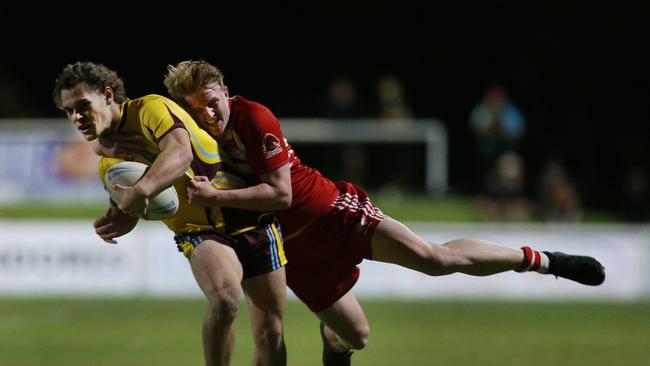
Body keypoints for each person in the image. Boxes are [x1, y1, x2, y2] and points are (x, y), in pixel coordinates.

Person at [162, 60, 605, 366]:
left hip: (332, 212)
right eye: (196, 108)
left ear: (224, 89)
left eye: (211, 100)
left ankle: (544, 261)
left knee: (434, 260)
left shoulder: (254, 117)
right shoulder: (194, 137)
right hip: (290, 252)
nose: (207, 113)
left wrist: (214, 197)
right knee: (356, 336)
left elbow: (280, 195)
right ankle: (333, 344)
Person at [52, 61, 287, 366]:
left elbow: (180, 151)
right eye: (69, 111)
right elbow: (135, 208)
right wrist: (119, 217)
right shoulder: (107, 165)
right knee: (226, 299)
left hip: (247, 214)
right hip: (198, 230)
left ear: (108, 94)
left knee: (271, 335)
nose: (77, 117)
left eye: (83, 106)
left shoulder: (149, 108)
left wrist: (140, 190)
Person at [469, 83, 526, 193]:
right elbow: (475, 128)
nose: (495, 99)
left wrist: (499, 128)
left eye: (498, 97)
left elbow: (516, 133)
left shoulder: (511, 112)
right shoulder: (481, 110)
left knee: (511, 168)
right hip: (485, 154)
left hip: (507, 153)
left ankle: (511, 199)